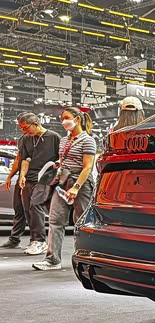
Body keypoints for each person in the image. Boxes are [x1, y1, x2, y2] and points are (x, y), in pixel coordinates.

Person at [33, 107, 97, 271]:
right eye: (62, 119)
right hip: (62, 182)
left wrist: (76, 187)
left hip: (81, 184)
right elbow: (62, 161)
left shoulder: (88, 140)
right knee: (55, 220)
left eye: (67, 117)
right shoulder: (63, 140)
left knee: (83, 223)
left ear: (77, 119)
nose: (63, 121)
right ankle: (52, 260)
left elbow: (87, 167)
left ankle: (87, 258)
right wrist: (59, 166)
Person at [16, 113, 61, 256]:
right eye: (21, 128)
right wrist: (22, 176)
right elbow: (25, 159)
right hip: (29, 177)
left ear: (35, 123)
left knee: (35, 205)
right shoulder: (25, 139)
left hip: (46, 177)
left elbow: (61, 157)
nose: (24, 131)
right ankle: (34, 239)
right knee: (27, 208)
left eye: (25, 128)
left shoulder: (54, 137)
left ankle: (40, 241)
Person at [1, 149, 26, 249]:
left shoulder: (46, 141)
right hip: (21, 180)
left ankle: (37, 241)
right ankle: (14, 239)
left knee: (34, 211)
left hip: (35, 180)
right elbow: (18, 159)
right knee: (19, 209)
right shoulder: (23, 142)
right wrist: (9, 177)